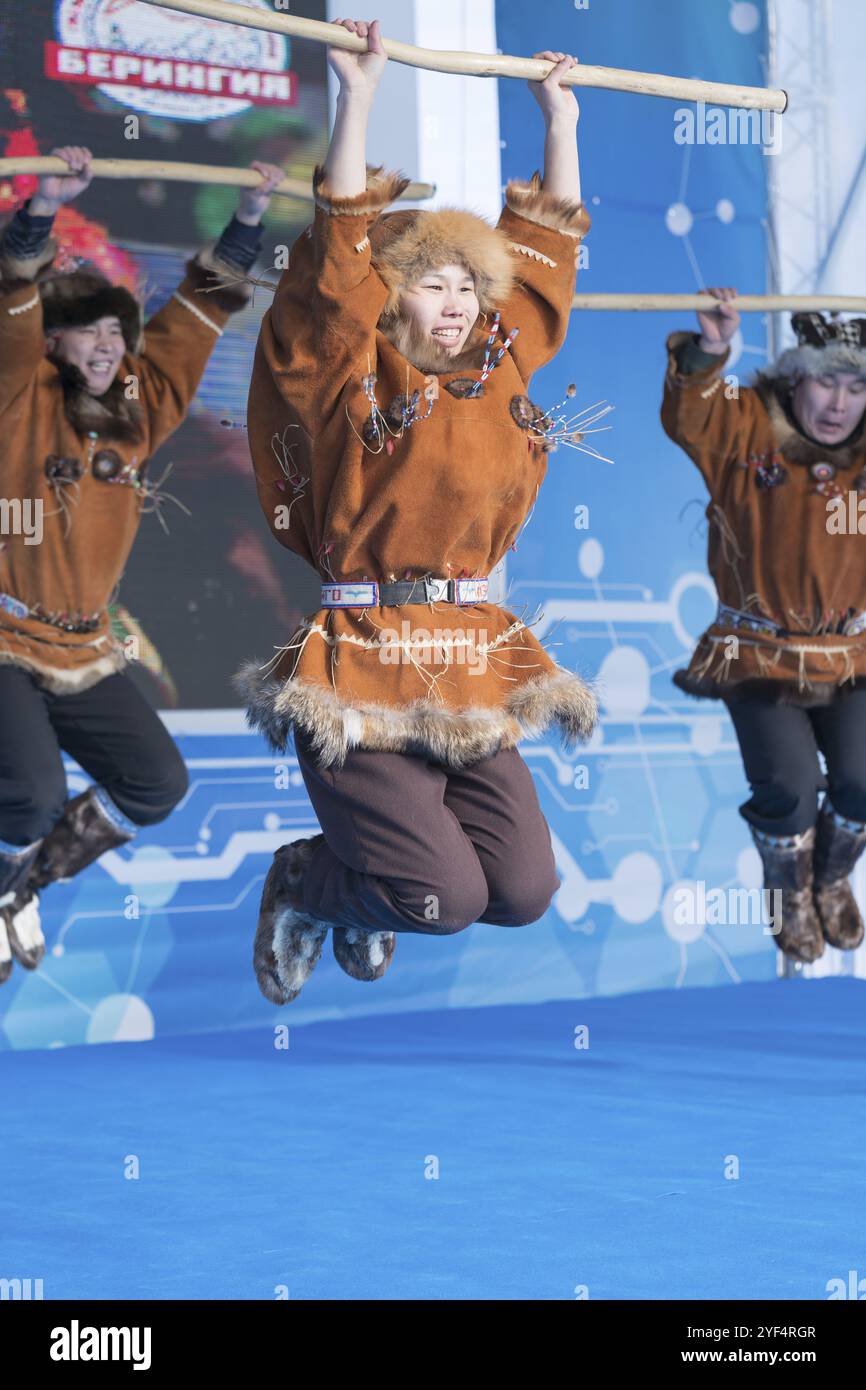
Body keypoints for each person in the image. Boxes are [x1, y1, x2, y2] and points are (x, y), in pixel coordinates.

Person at [236, 17, 597, 1004]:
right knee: (438, 894)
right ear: (396, 296)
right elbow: (340, 250)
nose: (453, 302)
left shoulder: (501, 364)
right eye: (429, 282)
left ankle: (361, 883)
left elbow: (544, 253)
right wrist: (356, 96)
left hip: (467, 649)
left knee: (517, 891)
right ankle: (310, 881)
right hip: (362, 646)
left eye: (467, 288)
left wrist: (556, 118)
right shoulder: (349, 363)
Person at [0, 144, 285, 983]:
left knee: (157, 784)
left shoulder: (139, 409)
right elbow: (15, 287)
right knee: (30, 797)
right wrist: (45, 207)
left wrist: (250, 217)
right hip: (4, 637)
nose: (109, 343)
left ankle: (22, 887)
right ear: (51, 340)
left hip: (84, 649)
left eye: (119, 331)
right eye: (88, 329)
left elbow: (195, 321)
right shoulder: (19, 397)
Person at [661, 287, 866, 964]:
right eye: (825, 383)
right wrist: (713, 348)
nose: (839, 404)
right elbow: (692, 410)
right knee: (791, 788)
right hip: (758, 654)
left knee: (863, 779)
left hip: (853, 652)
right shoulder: (744, 428)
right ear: (792, 379)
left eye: (856, 387)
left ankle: (832, 878)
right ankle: (788, 895)